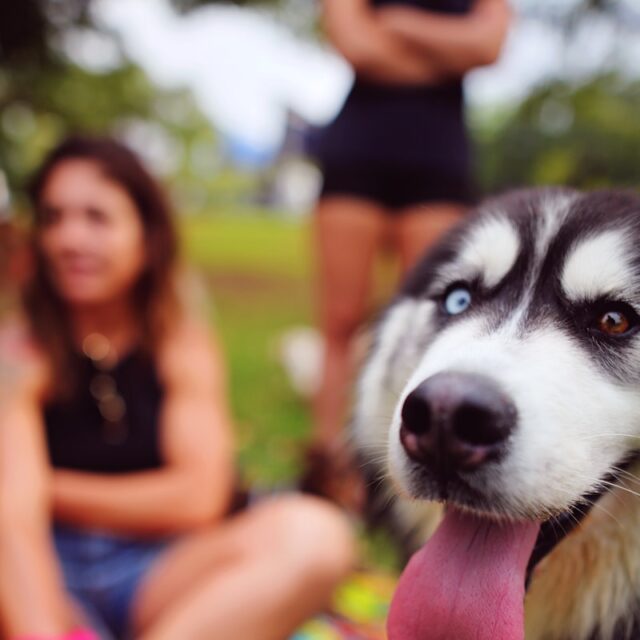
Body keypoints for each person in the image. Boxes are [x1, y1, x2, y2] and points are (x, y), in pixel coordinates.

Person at [0, 136, 354, 640]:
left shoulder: (181, 342)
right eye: (54, 218)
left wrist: (40, 484)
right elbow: (12, 521)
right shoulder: (17, 352)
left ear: (147, 238)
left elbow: (196, 498)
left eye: (96, 218)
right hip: (38, 569)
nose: (69, 239)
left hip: (157, 572)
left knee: (317, 536)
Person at [307, 0, 511, 504]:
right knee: (340, 320)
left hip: (438, 161)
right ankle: (330, 465)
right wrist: (445, 50)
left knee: (433, 321)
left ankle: (406, 467)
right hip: (356, 155)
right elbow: (354, 44)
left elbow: (488, 46)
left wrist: (398, 24)